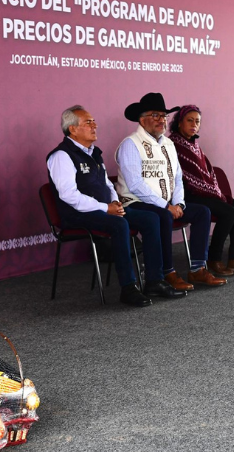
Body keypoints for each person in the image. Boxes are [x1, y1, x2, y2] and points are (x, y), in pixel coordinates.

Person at [47, 105, 183, 307]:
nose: (95, 125)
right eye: (88, 122)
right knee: (119, 225)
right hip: (77, 214)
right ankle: (128, 288)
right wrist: (105, 208)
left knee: (151, 218)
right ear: (72, 129)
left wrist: (114, 201)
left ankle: (154, 280)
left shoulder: (94, 153)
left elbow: (107, 184)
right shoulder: (61, 156)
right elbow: (69, 195)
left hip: (105, 208)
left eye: (94, 121)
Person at [115, 93, 227, 290]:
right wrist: (167, 206)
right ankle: (168, 272)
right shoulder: (130, 144)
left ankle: (198, 269)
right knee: (164, 216)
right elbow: (135, 185)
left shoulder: (168, 144)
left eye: (164, 116)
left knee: (202, 212)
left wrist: (180, 203)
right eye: (155, 115)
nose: (162, 120)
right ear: (142, 120)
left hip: (168, 202)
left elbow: (177, 178)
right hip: (135, 202)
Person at [168, 105, 234, 275]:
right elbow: (183, 176)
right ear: (179, 123)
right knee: (229, 212)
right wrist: (208, 190)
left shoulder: (194, 144)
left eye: (197, 121)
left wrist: (212, 190)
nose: (194, 124)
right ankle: (214, 259)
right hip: (187, 195)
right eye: (189, 120)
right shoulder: (173, 144)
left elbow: (206, 172)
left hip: (205, 193)